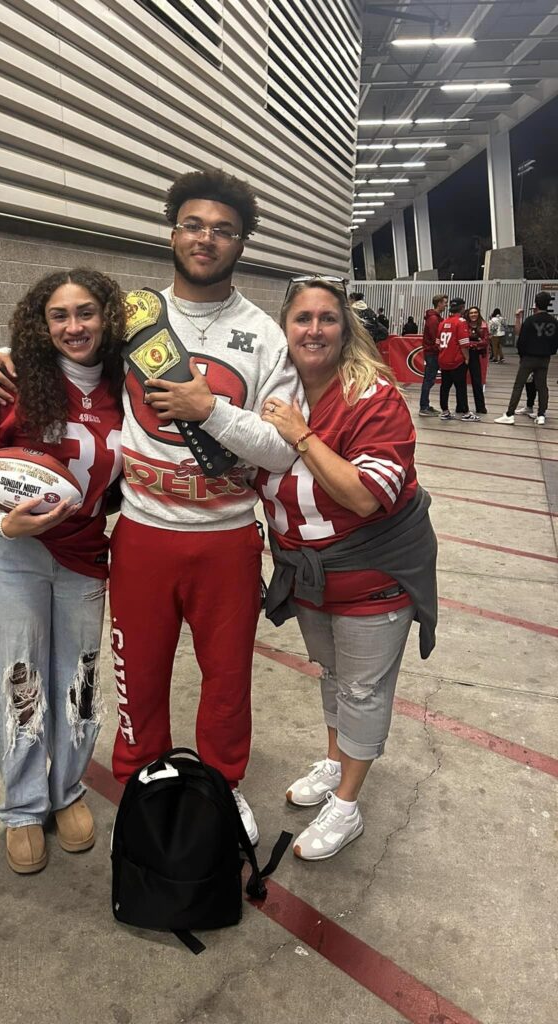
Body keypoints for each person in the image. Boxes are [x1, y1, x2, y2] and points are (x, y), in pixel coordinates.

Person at [0, 168, 300, 845]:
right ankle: (140, 788)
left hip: (227, 535)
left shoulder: (265, 335)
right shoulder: (133, 317)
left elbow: (280, 448)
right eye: (193, 224)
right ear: (172, 231)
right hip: (143, 535)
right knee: (132, 679)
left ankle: (222, 788)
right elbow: (63, 344)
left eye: (222, 229)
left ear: (242, 242)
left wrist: (210, 411)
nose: (205, 238)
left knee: (227, 681)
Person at [256, 278, 437, 860]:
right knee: (332, 676)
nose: (313, 329)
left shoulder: (372, 394)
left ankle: (349, 806)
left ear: (345, 327)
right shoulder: (275, 390)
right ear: (284, 329)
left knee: (362, 687)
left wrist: (301, 436)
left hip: (372, 574)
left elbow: (365, 496)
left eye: (326, 318)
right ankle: (337, 763)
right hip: (309, 576)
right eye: (301, 318)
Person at [0, 268, 125, 874]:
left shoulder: (123, 386)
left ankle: (68, 792)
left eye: (86, 312)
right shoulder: (13, 379)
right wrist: (5, 525)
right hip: (15, 554)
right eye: (60, 315)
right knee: (20, 680)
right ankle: (24, 808)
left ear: (106, 317)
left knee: (78, 682)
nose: (74, 326)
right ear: (42, 323)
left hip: (85, 553)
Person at [496, 291, 558, 426]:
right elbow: (555, 341)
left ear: (535, 303)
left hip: (529, 357)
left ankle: (509, 414)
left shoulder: (531, 320)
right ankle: (541, 414)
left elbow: (521, 338)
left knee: (519, 385)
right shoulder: (554, 321)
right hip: (545, 358)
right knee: (542, 386)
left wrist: (522, 354)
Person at [437, 297, 479, 422]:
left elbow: (438, 343)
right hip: (456, 361)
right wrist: (467, 358)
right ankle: (466, 412)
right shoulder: (460, 322)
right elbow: (464, 344)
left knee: (445, 387)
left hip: (444, 360)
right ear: (462, 307)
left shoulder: (443, 322)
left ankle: (445, 411)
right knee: (461, 387)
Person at [418, 293, 447, 417]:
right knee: (429, 379)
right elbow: (437, 336)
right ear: (439, 303)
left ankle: (425, 405)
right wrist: (439, 349)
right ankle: (424, 406)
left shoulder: (434, 317)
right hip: (432, 353)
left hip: (432, 352)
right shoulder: (434, 319)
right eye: (445, 302)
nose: (446, 305)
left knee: (429, 379)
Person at [465, 306, 489, 414]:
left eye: (475, 312)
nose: (473, 315)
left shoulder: (483, 326)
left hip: (475, 355)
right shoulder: (464, 325)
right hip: (464, 354)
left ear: (478, 314)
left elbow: (485, 342)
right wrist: (475, 343)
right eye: (471, 313)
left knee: (477, 381)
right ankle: (461, 406)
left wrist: (472, 344)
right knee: (460, 382)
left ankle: (480, 407)